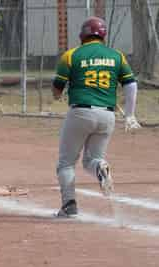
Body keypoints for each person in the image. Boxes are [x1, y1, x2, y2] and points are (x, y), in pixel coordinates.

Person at [51, 16, 141, 217]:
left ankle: (69, 205)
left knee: (66, 163)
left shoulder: (72, 55)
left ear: (83, 35)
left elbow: (57, 88)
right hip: (107, 115)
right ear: (103, 35)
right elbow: (131, 84)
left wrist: (58, 94)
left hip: (80, 112)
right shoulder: (117, 56)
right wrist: (130, 115)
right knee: (94, 159)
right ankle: (100, 167)